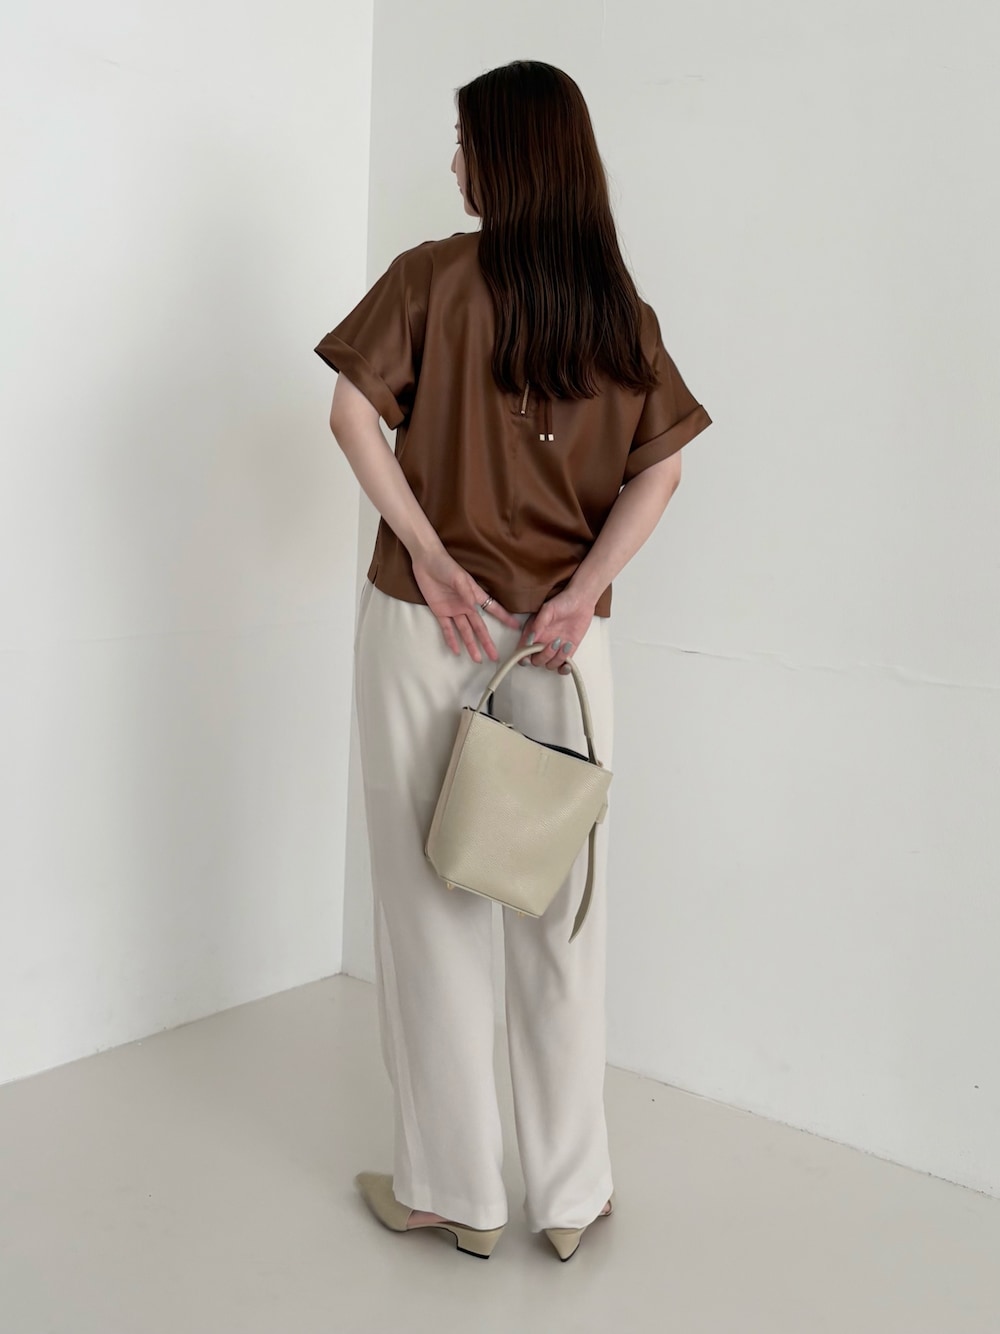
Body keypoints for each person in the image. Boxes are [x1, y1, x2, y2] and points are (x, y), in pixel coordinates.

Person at [314, 60, 712, 1261]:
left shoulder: (430, 279)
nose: (451, 160)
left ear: (504, 156)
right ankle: (571, 1194)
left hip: (426, 627)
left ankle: (453, 1190)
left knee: (429, 897)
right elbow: (662, 465)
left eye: (463, 139)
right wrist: (582, 592)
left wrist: (432, 555)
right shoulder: (616, 310)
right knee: (563, 906)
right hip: (563, 651)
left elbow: (349, 413)